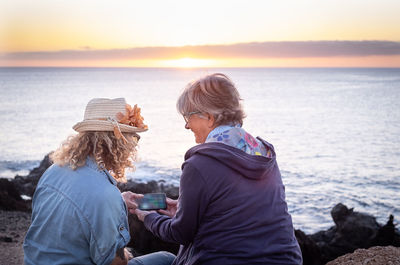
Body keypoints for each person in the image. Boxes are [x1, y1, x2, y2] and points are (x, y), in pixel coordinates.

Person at [132, 73, 303, 265]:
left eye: (188, 116)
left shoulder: (200, 164)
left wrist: (147, 216)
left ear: (209, 118)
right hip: (287, 260)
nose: (186, 125)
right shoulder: (264, 154)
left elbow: (180, 232)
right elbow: (233, 212)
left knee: (160, 259)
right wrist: (150, 202)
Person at [23, 98, 170, 265]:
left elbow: (79, 208)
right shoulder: (104, 194)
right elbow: (116, 263)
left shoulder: (54, 171)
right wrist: (128, 253)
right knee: (167, 258)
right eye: (133, 136)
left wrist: (120, 202)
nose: (134, 145)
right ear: (117, 140)